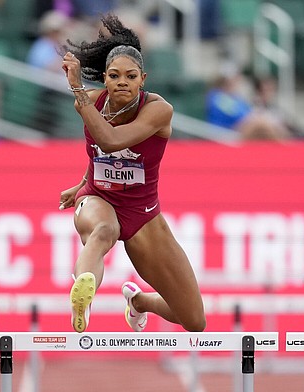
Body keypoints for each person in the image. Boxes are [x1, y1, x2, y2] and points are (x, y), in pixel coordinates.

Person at [57, 14, 205, 334]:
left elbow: (111, 143)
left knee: (194, 320)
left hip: (144, 214)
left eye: (130, 75)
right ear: (106, 80)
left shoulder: (158, 110)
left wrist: (78, 94)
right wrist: (81, 184)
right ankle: (81, 298)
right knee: (103, 232)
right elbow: (97, 152)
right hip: (98, 199)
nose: (122, 81)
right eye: (114, 75)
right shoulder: (94, 102)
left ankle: (139, 303)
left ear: (142, 79)